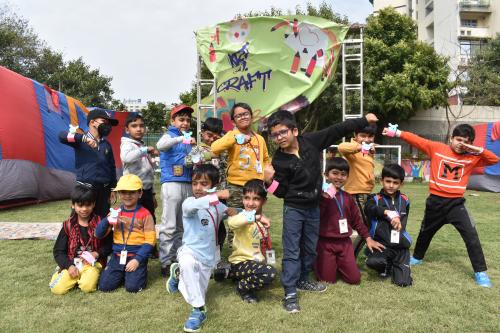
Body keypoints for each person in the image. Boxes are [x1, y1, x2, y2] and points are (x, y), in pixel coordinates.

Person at [264, 110, 378, 313]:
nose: (279, 137)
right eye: (275, 135)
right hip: (294, 209)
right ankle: (290, 292)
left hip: (314, 207)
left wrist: (364, 120)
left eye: (283, 132)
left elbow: (337, 130)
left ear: (295, 131)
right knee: (292, 251)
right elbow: (281, 192)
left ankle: (302, 279)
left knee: (310, 248)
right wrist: (269, 181)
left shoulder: (310, 141)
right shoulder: (279, 160)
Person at [383, 124, 499, 287]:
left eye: (465, 142)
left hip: (456, 205)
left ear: (470, 143)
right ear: (451, 139)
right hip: (435, 203)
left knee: (471, 236)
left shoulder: (472, 158)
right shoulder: (437, 148)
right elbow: (417, 140)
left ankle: (480, 272)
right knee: (425, 232)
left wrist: (474, 149)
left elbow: (494, 159)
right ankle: (417, 257)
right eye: (458, 140)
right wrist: (398, 133)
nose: (461, 144)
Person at [165, 164, 234, 332]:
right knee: (188, 265)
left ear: (214, 185)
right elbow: (192, 207)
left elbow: (232, 212)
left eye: (204, 184)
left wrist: (252, 215)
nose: (198, 188)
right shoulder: (189, 203)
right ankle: (198, 309)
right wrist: (216, 195)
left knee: (198, 288)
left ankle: (178, 273)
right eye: (195, 183)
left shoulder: (218, 207)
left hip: (208, 257)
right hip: (189, 251)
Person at [315, 158, 384, 285]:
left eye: (343, 174)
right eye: (335, 173)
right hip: (325, 243)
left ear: (347, 176)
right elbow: (316, 218)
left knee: (354, 279)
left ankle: (339, 263)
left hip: (345, 244)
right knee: (327, 280)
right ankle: (321, 262)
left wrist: (368, 238)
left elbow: (357, 222)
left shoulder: (347, 197)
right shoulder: (320, 196)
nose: (339, 177)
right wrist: (325, 199)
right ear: (326, 175)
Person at [211, 103, 270, 245]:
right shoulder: (232, 135)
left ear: (251, 116)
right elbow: (215, 147)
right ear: (233, 121)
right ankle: (236, 257)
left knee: (255, 220)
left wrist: (266, 176)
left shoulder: (259, 139)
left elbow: (266, 159)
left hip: (256, 187)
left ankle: (254, 251)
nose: (243, 117)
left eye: (245, 114)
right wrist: (235, 136)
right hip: (236, 187)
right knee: (236, 221)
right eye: (238, 115)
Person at [96, 174, 156, 293]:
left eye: (132, 192)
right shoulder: (115, 212)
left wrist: (137, 260)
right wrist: (107, 220)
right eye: (123, 192)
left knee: (132, 288)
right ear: (119, 194)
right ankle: (124, 273)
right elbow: (98, 233)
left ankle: (137, 271)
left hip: (136, 255)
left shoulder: (145, 214)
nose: (127, 195)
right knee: (104, 286)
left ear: (140, 193)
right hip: (118, 256)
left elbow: (150, 241)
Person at [50, 185, 111, 294]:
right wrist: (69, 266)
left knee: (87, 287)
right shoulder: (67, 225)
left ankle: (85, 278)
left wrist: (97, 253)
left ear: (94, 204)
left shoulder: (101, 223)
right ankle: (63, 274)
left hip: (93, 264)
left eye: (88, 205)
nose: (84, 209)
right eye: (80, 205)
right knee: (57, 289)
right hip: (72, 264)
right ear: (73, 205)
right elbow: (58, 251)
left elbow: (110, 245)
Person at [157, 104, 195, 277]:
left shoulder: (188, 138)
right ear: (172, 121)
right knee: (169, 225)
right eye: (181, 119)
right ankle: (165, 261)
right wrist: (181, 139)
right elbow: (160, 145)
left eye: (188, 120)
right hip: (172, 183)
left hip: (188, 183)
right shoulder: (170, 135)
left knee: (183, 225)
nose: (185, 123)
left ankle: (179, 258)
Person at [58, 109, 119, 218]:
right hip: (85, 189)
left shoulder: (106, 144)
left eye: (109, 123)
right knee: (81, 221)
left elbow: (111, 166)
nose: (107, 125)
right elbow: (61, 136)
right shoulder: (80, 140)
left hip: (104, 190)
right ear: (92, 122)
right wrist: (83, 138)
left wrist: (112, 188)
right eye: (104, 121)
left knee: (103, 221)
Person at [227, 179, 277, 303]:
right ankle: (242, 287)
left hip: (254, 263)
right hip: (240, 263)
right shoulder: (242, 216)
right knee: (269, 273)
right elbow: (232, 223)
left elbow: (263, 244)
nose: (250, 203)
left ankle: (237, 277)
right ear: (242, 199)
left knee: (270, 272)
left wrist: (267, 259)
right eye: (247, 198)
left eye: (256, 199)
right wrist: (256, 217)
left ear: (263, 201)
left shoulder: (262, 221)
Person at [364, 164, 413, 287]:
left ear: (401, 183)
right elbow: (369, 209)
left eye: (395, 182)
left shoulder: (405, 199)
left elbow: (404, 220)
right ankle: (386, 265)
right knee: (373, 262)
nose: (391, 185)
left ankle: (400, 264)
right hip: (382, 245)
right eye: (388, 181)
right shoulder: (374, 198)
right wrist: (386, 212)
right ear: (382, 181)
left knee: (403, 283)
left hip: (400, 246)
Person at [120, 113, 158, 222]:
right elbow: (126, 157)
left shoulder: (141, 145)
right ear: (127, 130)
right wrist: (144, 150)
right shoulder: (127, 144)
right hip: (133, 191)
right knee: (133, 221)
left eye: (141, 126)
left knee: (149, 219)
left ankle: (149, 238)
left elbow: (149, 172)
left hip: (147, 191)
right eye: (134, 126)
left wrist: (153, 194)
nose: (139, 129)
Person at [338, 123, 377, 225]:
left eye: (370, 136)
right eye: (363, 136)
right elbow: (341, 147)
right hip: (356, 194)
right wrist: (361, 147)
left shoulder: (369, 151)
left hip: (365, 193)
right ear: (355, 135)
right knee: (363, 227)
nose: (367, 139)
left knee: (365, 225)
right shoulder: (352, 149)